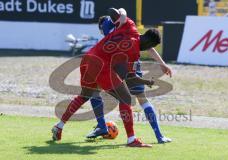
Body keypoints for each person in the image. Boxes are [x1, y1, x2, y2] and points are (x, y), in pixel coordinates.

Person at [52, 8, 162, 147]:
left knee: (84, 96)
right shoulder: (134, 54)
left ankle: (59, 126)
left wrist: (122, 14)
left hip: (88, 58)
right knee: (126, 98)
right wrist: (122, 14)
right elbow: (129, 77)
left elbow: (112, 11)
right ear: (150, 44)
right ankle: (132, 139)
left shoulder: (131, 26)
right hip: (101, 64)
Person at [86, 13, 172, 144]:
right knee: (143, 100)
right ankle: (159, 136)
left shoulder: (106, 26)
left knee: (95, 91)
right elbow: (149, 48)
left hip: (117, 68)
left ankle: (102, 126)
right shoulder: (129, 29)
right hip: (133, 67)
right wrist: (162, 63)